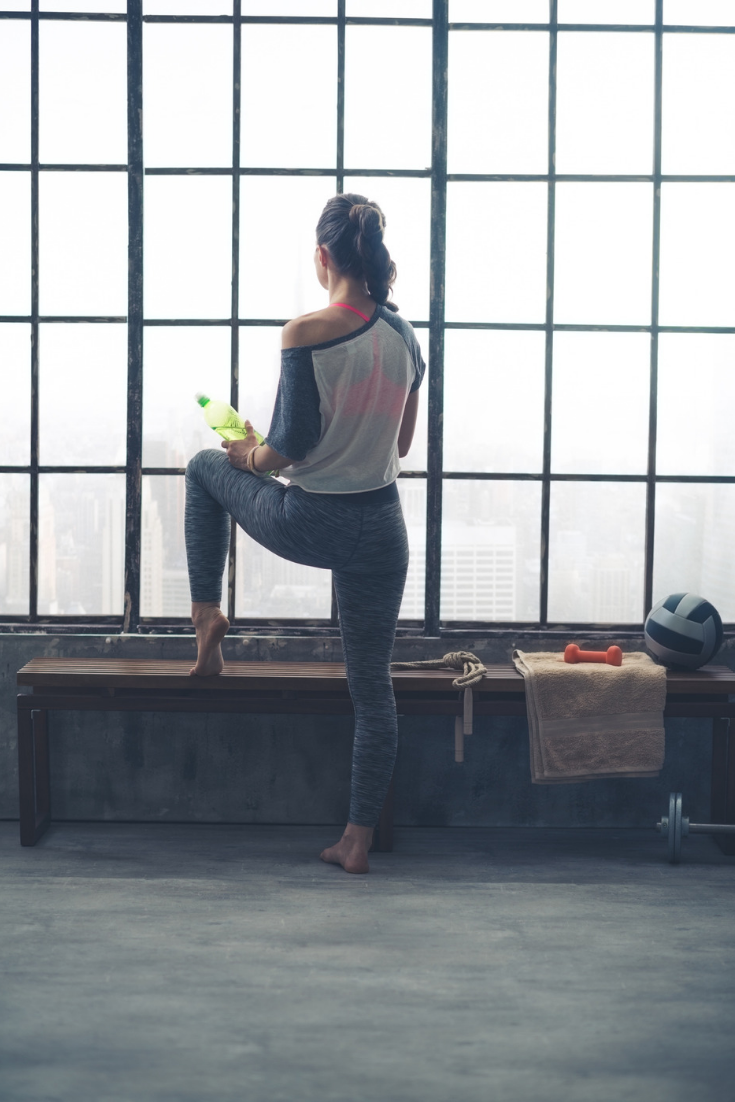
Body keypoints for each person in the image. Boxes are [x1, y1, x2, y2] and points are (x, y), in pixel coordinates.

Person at [184, 193, 425, 874]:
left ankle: (206, 621)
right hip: (382, 529)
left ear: (322, 258)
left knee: (205, 467)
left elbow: (287, 445)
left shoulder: (305, 332)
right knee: (371, 691)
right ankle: (356, 841)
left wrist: (249, 456)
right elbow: (400, 443)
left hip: (312, 520)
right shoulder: (406, 338)